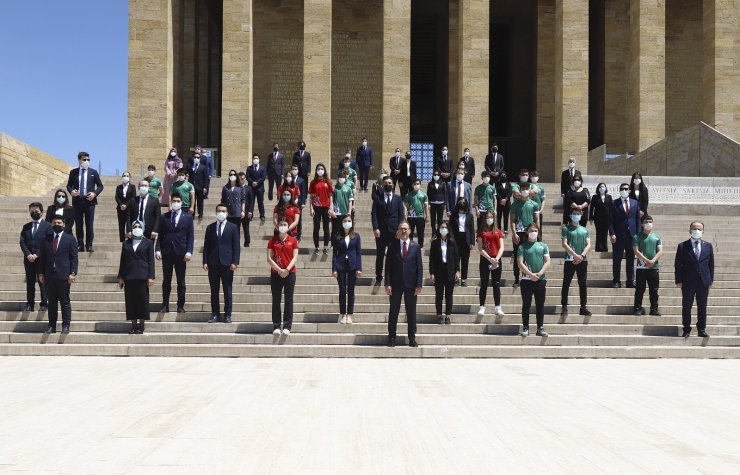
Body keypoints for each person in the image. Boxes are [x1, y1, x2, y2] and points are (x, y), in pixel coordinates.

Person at [385, 222, 423, 347]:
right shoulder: (392, 246)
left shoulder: (416, 247)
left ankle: (412, 338)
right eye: (401, 229)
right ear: (398, 231)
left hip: (411, 285)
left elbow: (419, 267)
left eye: (406, 229)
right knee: (393, 311)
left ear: (410, 231)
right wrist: (387, 283)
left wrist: (419, 284)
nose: (404, 231)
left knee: (411, 312)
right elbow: (388, 266)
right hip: (395, 284)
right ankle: (391, 337)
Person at [38, 216, 78, 334]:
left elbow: (74, 258)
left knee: (65, 301)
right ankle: (52, 326)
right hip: (49, 275)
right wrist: (41, 273)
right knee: (52, 302)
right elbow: (42, 258)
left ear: (64, 224)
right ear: (51, 224)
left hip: (64, 275)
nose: (57, 224)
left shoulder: (70, 239)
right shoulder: (46, 239)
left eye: (59, 223)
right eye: (55, 222)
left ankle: (66, 325)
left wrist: (73, 273)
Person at [155, 194, 195, 313]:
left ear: (182, 202)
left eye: (178, 201)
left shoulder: (187, 218)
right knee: (166, 280)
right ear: (171, 202)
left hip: (181, 253)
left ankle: (180, 305)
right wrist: (157, 249)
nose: (176, 202)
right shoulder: (164, 217)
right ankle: (165, 305)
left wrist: (189, 251)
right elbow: (160, 235)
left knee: (181, 281)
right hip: (167, 252)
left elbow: (190, 237)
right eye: (174, 201)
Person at [674, 222, 713, 338]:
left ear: (703, 231)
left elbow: (711, 264)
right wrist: (678, 280)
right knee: (686, 306)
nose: (697, 230)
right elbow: (678, 265)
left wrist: (710, 279)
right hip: (687, 281)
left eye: (699, 229)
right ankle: (686, 329)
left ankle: (701, 329)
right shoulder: (682, 246)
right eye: (694, 228)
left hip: (703, 281)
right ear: (690, 230)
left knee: (702, 306)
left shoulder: (708, 246)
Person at [203, 204, 240, 324]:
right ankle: (215, 314)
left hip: (227, 263)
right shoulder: (210, 228)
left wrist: (235, 261)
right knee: (214, 291)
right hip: (213, 263)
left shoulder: (233, 227)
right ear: (215, 212)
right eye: (219, 211)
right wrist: (205, 261)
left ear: (227, 213)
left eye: (223, 211)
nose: (221, 213)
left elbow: (236, 246)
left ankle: (228, 314)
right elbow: (206, 247)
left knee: (227, 290)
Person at [117, 220, 155, 334]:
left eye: (139, 226)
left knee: (142, 302)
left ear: (143, 228)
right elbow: (123, 261)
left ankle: (141, 325)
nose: (137, 228)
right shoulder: (126, 243)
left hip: (143, 277)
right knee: (131, 302)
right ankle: (133, 325)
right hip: (129, 276)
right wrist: (120, 276)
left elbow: (151, 261)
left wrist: (151, 276)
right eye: (135, 226)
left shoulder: (148, 243)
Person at [517, 223, 550, 337]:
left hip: (540, 280)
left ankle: (540, 328)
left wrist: (539, 274)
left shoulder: (543, 246)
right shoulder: (522, 246)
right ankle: (525, 327)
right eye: (531, 230)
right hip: (526, 280)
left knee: (540, 305)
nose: (534, 232)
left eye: (536, 230)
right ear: (527, 232)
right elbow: (520, 263)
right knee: (526, 304)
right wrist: (530, 274)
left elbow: (548, 262)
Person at [66, 151, 104, 252]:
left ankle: (89, 245)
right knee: (78, 224)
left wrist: (94, 194)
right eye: (84, 159)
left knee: (89, 224)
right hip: (77, 201)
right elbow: (69, 185)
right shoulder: (73, 172)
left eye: (88, 160)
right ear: (79, 160)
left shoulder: (93, 172)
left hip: (90, 202)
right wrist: (71, 192)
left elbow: (100, 186)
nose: (86, 161)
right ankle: (80, 244)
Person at [371, 176, 406, 285]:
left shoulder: (398, 198)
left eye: (390, 183)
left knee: (394, 255)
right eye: (386, 183)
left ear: (393, 185)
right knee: (380, 255)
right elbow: (374, 214)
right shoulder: (378, 198)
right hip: (381, 231)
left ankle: (392, 277)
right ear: (382, 184)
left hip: (394, 231)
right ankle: (378, 277)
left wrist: (400, 229)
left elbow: (401, 215)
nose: (388, 184)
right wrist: (375, 227)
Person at [267, 217, 299, 335]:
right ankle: (276, 325)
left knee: (288, 299)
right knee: (276, 299)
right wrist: (280, 270)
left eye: (285, 224)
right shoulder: (272, 240)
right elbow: (269, 258)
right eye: (281, 224)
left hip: (290, 273)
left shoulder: (293, 240)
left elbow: (295, 257)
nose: (283, 227)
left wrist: (286, 269)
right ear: (277, 226)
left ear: (288, 226)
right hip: (276, 273)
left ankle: (287, 326)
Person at [20, 202, 52, 312]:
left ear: (42, 212)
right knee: (30, 282)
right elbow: (22, 242)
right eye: (32, 211)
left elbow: (48, 242)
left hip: (41, 259)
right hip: (28, 259)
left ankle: (44, 303)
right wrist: (28, 254)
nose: (34, 213)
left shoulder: (48, 226)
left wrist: (37, 254)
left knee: (42, 281)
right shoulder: (26, 227)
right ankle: (30, 304)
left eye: (37, 211)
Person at [560, 209, 592, 317]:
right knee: (566, 283)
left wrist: (581, 255)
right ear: (570, 215)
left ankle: (583, 307)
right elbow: (564, 244)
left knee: (583, 284)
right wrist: (575, 255)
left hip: (583, 260)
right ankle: (564, 306)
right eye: (574, 214)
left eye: (578, 214)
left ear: (581, 215)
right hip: (570, 259)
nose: (576, 216)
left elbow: (589, 245)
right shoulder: (566, 228)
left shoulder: (585, 230)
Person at [609, 183, 640, 288]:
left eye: (626, 189)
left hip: (631, 235)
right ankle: (616, 281)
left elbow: (637, 220)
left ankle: (630, 280)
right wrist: (612, 233)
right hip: (618, 235)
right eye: (622, 189)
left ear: (630, 190)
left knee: (631, 259)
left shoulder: (635, 203)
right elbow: (610, 220)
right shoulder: (614, 203)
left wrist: (638, 235)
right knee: (617, 259)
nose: (624, 190)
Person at [332, 215, 362, 324]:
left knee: (351, 290)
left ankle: (349, 314)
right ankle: (343, 314)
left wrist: (359, 268)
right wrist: (334, 268)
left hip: (352, 266)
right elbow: (335, 254)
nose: (347, 222)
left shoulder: (356, 236)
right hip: (340, 265)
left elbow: (358, 253)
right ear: (341, 222)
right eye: (345, 221)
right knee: (342, 290)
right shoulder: (337, 236)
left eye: (349, 221)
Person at [509, 182, 540, 288]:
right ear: (520, 190)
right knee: (518, 256)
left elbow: (536, 219)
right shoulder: (515, 204)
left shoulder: (534, 204)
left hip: (530, 233)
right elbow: (512, 220)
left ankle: (528, 276)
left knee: (530, 255)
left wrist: (538, 232)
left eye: (527, 189)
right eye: (523, 189)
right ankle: (517, 279)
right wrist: (514, 233)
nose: (525, 191)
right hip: (519, 233)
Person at [429, 221, 459, 324]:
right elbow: (431, 259)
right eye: (441, 227)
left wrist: (457, 271)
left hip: (450, 270)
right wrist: (432, 273)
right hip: (438, 271)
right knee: (439, 294)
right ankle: (439, 315)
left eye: (445, 227)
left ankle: (448, 315)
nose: (443, 229)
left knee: (449, 295)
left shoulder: (452, 243)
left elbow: (456, 258)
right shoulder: (434, 243)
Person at [476, 211, 505, 317]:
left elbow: (501, 247)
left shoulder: (498, 231)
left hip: (496, 259)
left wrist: (496, 259)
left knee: (496, 284)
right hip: (485, 259)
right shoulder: (481, 232)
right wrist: (489, 258)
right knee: (484, 283)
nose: (489, 219)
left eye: (491, 217)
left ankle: (498, 307)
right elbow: (480, 248)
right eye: (488, 217)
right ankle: (482, 307)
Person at [633, 215, 662, 316]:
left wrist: (653, 260)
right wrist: (646, 261)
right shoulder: (637, 236)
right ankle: (637, 308)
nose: (648, 223)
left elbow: (660, 251)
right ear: (642, 224)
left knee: (654, 290)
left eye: (650, 221)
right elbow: (636, 251)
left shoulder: (657, 237)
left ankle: (654, 309)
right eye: (646, 222)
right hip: (641, 267)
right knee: (640, 289)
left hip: (654, 267)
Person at [449, 197, 475, 287]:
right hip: (456, 239)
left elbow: (472, 229)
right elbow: (450, 228)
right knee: (456, 260)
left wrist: (472, 242)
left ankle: (464, 279)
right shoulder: (453, 215)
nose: (462, 204)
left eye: (464, 202)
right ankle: (456, 279)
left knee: (465, 261)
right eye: (460, 202)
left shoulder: (470, 215)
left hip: (466, 240)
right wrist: (451, 239)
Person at [309, 163, 335, 255]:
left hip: (326, 207)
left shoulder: (328, 182)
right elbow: (311, 197)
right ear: (316, 171)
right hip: (316, 207)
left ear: (324, 170)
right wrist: (311, 208)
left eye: (322, 169)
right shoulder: (313, 182)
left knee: (326, 227)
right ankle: (316, 247)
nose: (320, 170)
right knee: (316, 228)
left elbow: (331, 195)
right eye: (318, 169)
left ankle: (325, 247)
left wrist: (331, 207)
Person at [404, 178, 429, 248]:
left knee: (420, 233)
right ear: (412, 185)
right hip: (411, 217)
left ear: (420, 185)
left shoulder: (424, 195)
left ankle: (420, 247)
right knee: (410, 233)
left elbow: (426, 206)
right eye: (415, 184)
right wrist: (405, 215)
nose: (416, 185)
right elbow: (406, 206)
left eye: (418, 184)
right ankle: (409, 246)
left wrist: (427, 216)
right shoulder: (408, 194)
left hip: (420, 217)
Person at [221, 169, 246, 238]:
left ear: (236, 176)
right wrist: (223, 211)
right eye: (231, 175)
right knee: (228, 231)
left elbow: (243, 200)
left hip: (237, 213)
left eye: (234, 174)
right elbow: (223, 201)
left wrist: (243, 211)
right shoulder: (225, 187)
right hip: (228, 213)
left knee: (236, 231)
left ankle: (236, 247)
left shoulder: (240, 187)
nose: (232, 176)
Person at [589, 182, 612, 252]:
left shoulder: (609, 197)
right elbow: (592, 208)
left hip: (607, 218)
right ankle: (598, 248)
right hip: (598, 218)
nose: (602, 188)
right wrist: (591, 218)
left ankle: (604, 248)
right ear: (598, 188)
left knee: (605, 233)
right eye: (600, 187)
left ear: (605, 188)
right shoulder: (595, 197)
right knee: (599, 233)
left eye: (603, 187)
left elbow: (611, 207)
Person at [331, 171, 354, 240]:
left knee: (344, 230)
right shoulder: (334, 188)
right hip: (336, 213)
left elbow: (350, 201)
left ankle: (343, 244)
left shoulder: (348, 189)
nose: (342, 178)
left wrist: (349, 212)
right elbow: (331, 200)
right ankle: (334, 245)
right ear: (337, 178)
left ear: (345, 178)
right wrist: (332, 210)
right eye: (340, 177)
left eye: (343, 177)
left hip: (345, 213)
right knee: (335, 230)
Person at [115, 171, 136, 242]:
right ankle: (122, 240)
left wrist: (126, 205)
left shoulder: (132, 187)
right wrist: (121, 204)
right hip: (120, 208)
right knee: (121, 225)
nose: (125, 177)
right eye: (124, 176)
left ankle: (129, 240)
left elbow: (133, 197)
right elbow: (117, 197)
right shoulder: (119, 187)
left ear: (129, 178)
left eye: (127, 176)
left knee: (129, 225)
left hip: (129, 208)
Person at [189, 153, 210, 221]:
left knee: (200, 202)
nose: (196, 158)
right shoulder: (190, 166)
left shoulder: (203, 167)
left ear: (200, 159)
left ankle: (200, 214)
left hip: (200, 187)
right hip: (192, 187)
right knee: (192, 201)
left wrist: (205, 187)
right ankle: (192, 214)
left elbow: (206, 178)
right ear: (193, 158)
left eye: (198, 157)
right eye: (195, 157)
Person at [289, 164, 307, 240]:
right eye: (293, 169)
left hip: (298, 203)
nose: (294, 171)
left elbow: (303, 192)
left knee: (298, 219)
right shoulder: (288, 179)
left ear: (298, 170)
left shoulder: (301, 180)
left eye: (296, 169)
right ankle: (290, 232)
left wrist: (303, 202)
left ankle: (298, 235)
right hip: (289, 202)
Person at [427, 171, 447, 238]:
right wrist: (429, 203)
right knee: (433, 219)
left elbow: (445, 194)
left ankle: (439, 232)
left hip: (441, 203)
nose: (436, 176)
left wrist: (445, 203)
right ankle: (433, 232)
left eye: (437, 174)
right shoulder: (430, 184)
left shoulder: (443, 183)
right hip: (432, 203)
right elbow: (428, 194)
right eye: (435, 174)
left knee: (440, 219)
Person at [247, 154, 266, 221]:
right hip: (251, 188)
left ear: (259, 159)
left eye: (257, 158)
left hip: (260, 188)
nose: (255, 159)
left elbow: (263, 177)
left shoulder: (263, 168)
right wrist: (252, 182)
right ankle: (250, 215)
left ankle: (262, 215)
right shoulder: (249, 168)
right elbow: (247, 177)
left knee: (260, 202)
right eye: (254, 158)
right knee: (251, 202)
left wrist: (257, 182)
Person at [237, 172, 254, 246]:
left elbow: (251, 201)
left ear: (245, 179)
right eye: (240, 179)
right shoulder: (236, 188)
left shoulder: (249, 188)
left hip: (246, 211)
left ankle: (247, 242)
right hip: (237, 211)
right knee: (236, 228)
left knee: (246, 228)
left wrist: (250, 211)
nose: (241, 180)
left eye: (243, 178)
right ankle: (236, 242)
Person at [529, 171, 546, 240]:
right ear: (530, 177)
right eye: (533, 176)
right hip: (530, 210)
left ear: (538, 178)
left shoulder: (541, 188)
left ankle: (539, 241)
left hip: (539, 211)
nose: (534, 178)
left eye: (536, 176)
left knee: (539, 227)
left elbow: (543, 200)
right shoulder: (528, 186)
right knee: (530, 227)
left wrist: (541, 209)